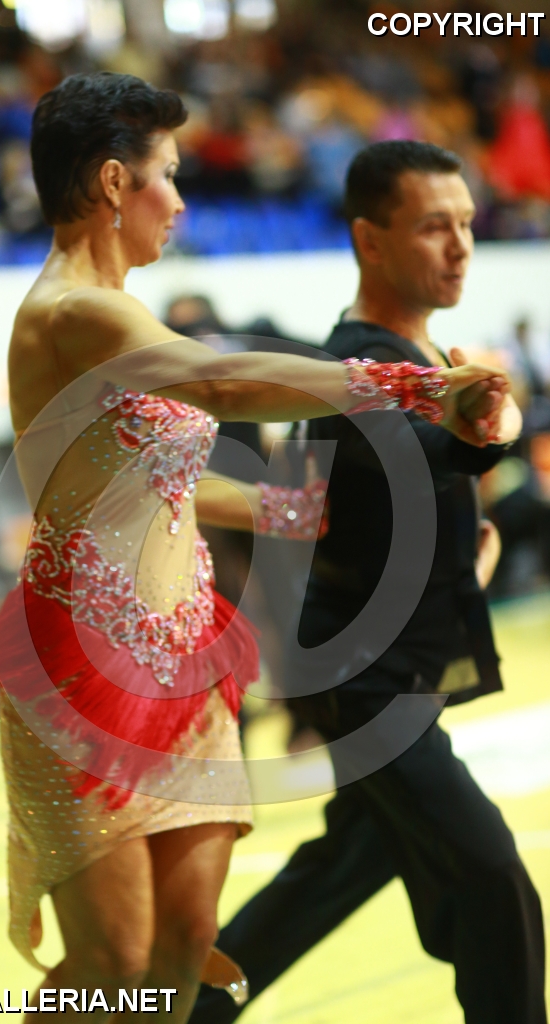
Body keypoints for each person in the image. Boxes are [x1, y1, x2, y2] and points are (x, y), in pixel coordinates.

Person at [0, 83, 508, 1024]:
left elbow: (157, 482)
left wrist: (279, 509)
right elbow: (221, 381)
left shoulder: (120, 313)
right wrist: (417, 389)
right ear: (115, 183)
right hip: (85, 667)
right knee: (114, 960)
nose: (181, 202)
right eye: (169, 177)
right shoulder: (74, 313)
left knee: (187, 938)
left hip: (183, 660)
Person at [189, 142, 543, 1024]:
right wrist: (483, 426)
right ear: (368, 240)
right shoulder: (355, 367)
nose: (460, 245)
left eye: (467, 223)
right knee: (494, 882)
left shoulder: (412, 358)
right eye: (433, 226)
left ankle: (194, 1010)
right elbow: (424, 448)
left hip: (388, 669)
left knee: (336, 872)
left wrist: (469, 560)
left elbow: (366, 513)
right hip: (367, 685)